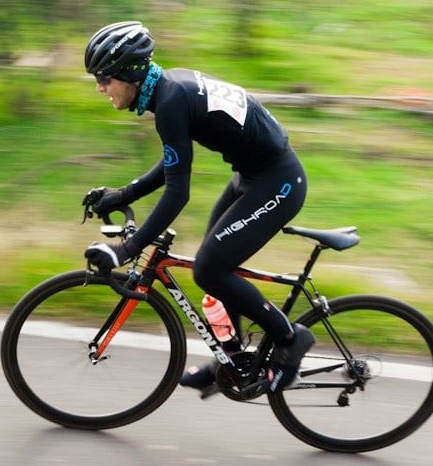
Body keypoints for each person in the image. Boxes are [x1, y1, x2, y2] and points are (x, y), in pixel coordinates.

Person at [81, 20, 314, 394]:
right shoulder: (170, 90)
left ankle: (290, 339)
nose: (100, 87)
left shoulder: (171, 100)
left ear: (128, 74)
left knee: (209, 268)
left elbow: (177, 193)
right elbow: (173, 163)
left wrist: (127, 249)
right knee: (216, 265)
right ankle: (234, 361)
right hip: (253, 177)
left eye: (105, 79)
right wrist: (122, 196)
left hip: (279, 183)